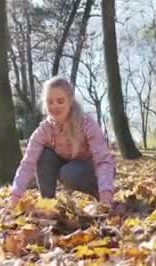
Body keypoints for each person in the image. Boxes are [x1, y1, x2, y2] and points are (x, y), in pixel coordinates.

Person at [9, 76, 115, 208]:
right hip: (67, 165)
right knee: (44, 155)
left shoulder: (86, 123)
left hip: (92, 169)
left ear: (70, 101)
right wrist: (15, 195)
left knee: (69, 173)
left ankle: (103, 198)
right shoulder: (44, 130)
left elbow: (103, 160)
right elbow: (27, 164)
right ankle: (48, 204)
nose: (55, 106)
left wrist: (106, 193)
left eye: (60, 101)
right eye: (50, 102)